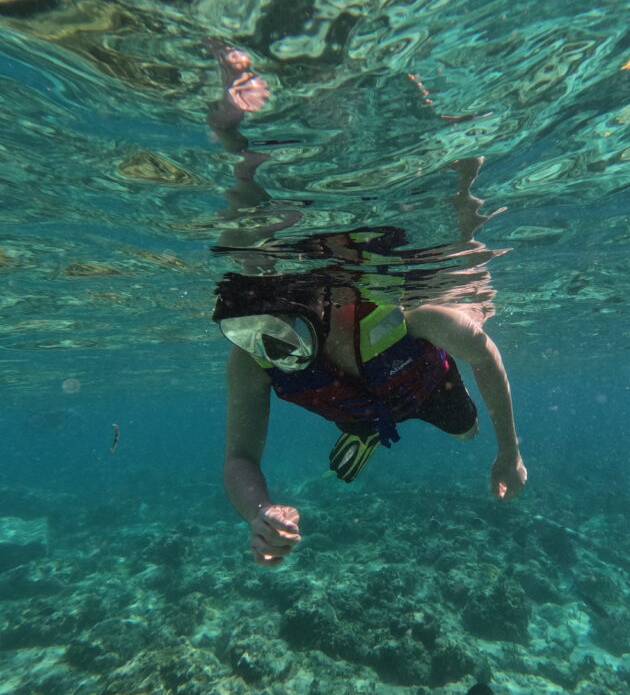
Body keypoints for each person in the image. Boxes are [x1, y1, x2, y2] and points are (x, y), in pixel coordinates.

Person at [205, 41, 527, 567]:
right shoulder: (252, 356)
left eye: (284, 327)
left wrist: (508, 454)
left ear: (314, 305)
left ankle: (239, 138)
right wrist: (258, 513)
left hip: (424, 388)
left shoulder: (409, 314)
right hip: (350, 403)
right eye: (259, 333)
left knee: (467, 430)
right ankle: (364, 426)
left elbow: (483, 353)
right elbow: (238, 458)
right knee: (355, 410)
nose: (272, 345)